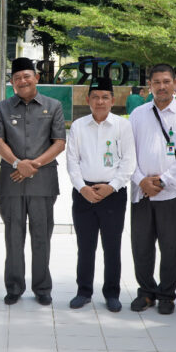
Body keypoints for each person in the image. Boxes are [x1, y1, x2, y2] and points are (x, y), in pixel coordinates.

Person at [0, 57, 66, 306]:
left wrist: (33, 165)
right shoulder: (2, 107)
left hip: (43, 181)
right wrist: (17, 163)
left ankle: (42, 287)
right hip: (11, 181)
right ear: (12, 82)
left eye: (27, 76)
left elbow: (59, 142)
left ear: (36, 78)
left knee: (42, 235)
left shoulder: (53, 106)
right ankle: (14, 286)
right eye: (17, 78)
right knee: (13, 236)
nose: (22, 81)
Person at [128, 63, 176, 315]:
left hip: (173, 192)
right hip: (141, 192)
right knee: (141, 245)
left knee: (170, 246)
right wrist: (142, 181)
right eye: (156, 82)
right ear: (150, 85)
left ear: (174, 83)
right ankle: (146, 292)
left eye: (166, 81)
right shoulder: (137, 114)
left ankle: (167, 294)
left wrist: (163, 181)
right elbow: (128, 154)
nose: (161, 86)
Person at [65, 77, 136, 312]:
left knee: (112, 246)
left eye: (105, 97)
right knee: (85, 246)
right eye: (95, 97)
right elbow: (72, 161)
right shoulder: (78, 126)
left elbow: (128, 162)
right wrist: (81, 187)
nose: (100, 101)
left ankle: (112, 293)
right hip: (84, 193)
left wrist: (112, 186)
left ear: (112, 100)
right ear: (88, 100)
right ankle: (84, 291)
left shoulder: (122, 126)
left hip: (113, 194)